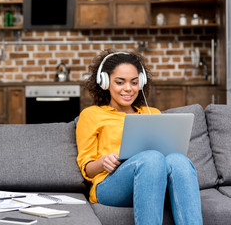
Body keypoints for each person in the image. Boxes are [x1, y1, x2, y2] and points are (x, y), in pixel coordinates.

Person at [76, 49, 202, 224]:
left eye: (134, 82)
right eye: (120, 82)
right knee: (151, 158)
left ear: (141, 83)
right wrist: (103, 161)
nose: (128, 88)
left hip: (154, 182)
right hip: (110, 185)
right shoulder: (92, 115)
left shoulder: (152, 113)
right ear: (105, 83)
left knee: (179, 160)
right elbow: (87, 168)